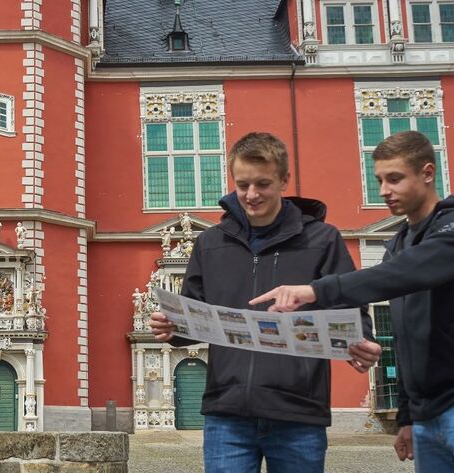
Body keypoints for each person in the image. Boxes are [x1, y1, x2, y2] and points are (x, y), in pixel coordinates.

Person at [250, 131, 454, 473]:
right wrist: (408, 415)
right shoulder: (398, 246)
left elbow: (407, 273)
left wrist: (314, 290)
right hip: (428, 417)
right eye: (379, 180)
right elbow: (406, 337)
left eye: (395, 179)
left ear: (427, 173)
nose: (384, 191)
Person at [147, 132, 382, 473]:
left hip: (297, 411)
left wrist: (362, 340)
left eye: (263, 184)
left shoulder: (322, 239)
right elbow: (193, 316)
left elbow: (350, 307)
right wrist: (171, 328)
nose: (251, 195)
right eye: (242, 185)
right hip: (227, 412)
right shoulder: (210, 244)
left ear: (284, 179)